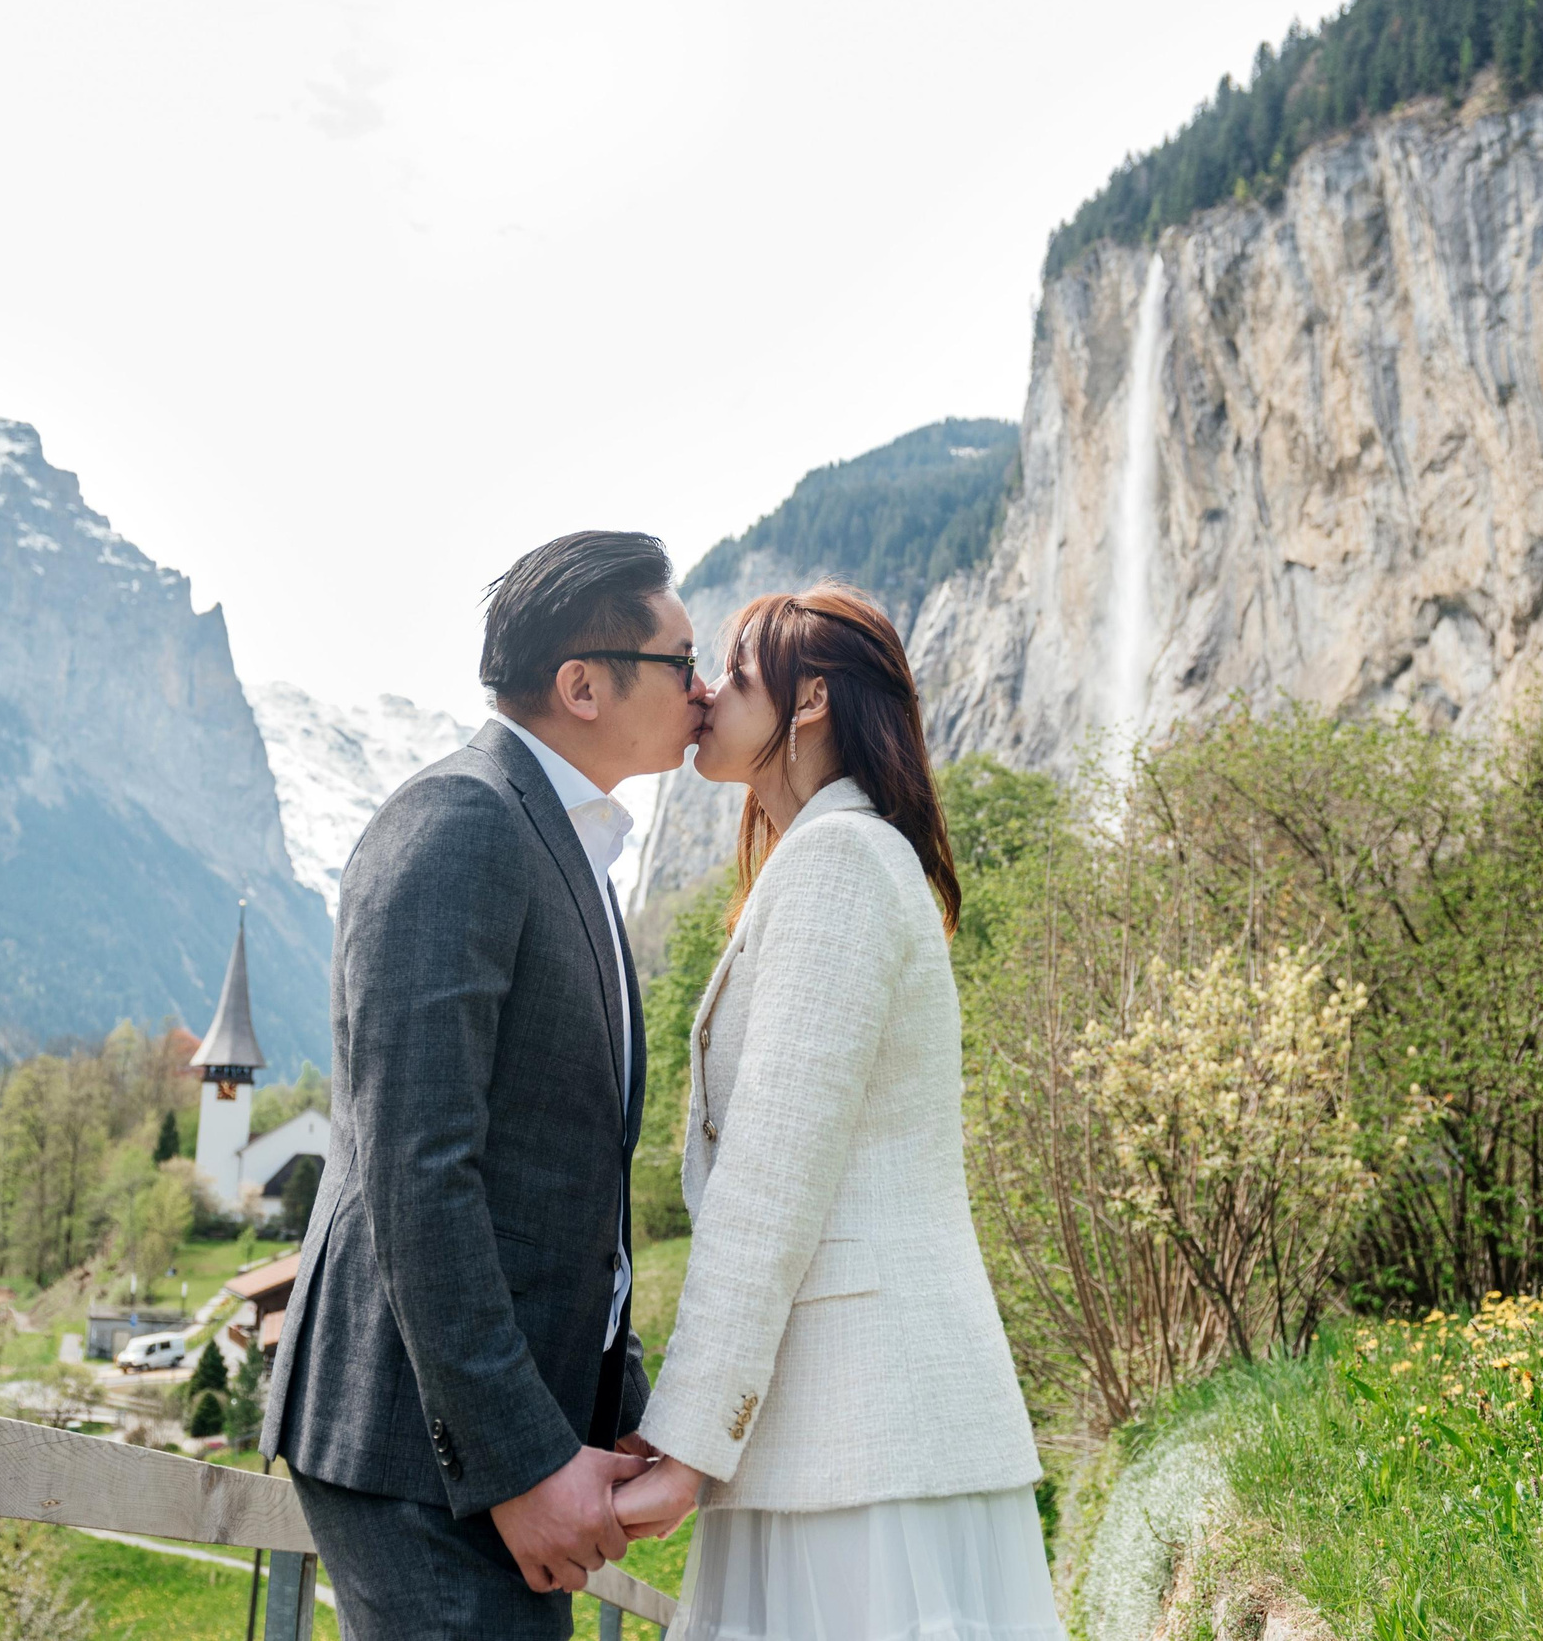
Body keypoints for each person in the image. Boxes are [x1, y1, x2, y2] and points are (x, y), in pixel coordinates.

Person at [261, 530, 710, 1639]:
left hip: (507, 1445)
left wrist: (627, 1404)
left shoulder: (565, 845)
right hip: (427, 1452)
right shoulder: (461, 823)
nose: (704, 689)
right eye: (682, 660)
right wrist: (519, 1460)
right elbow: (416, 1169)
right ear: (584, 684)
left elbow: (562, 1192)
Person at [611, 584, 1057, 1639]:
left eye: (736, 672)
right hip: (847, 1436)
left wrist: (683, 1443)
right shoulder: (839, 856)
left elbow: (772, 1171)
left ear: (809, 700)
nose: (706, 692)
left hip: (859, 1437)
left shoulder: (838, 860)